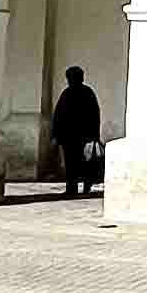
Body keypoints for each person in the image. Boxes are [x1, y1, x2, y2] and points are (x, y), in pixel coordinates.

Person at [50, 65, 102, 198]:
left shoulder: (80, 93)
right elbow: (58, 116)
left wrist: (94, 136)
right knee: (72, 163)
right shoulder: (70, 94)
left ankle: (82, 185)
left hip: (80, 136)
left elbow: (94, 115)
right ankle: (73, 187)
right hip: (70, 137)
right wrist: (56, 134)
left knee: (81, 162)